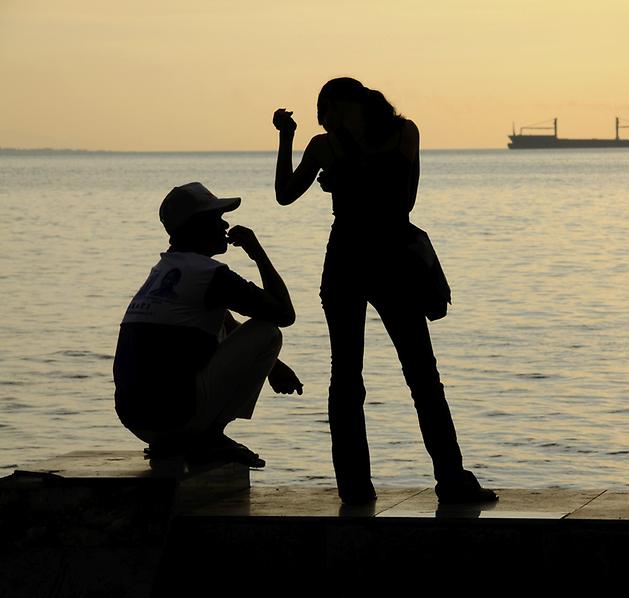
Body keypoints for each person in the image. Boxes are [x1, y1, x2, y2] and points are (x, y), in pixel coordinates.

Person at [272, 78, 497, 504]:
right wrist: (289, 139)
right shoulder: (363, 141)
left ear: (339, 105)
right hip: (369, 260)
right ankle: (410, 483)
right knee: (383, 377)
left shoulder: (378, 137)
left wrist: (337, 176)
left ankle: (405, 484)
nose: (323, 120)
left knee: (392, 377)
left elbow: (400, 199)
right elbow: (289, 194)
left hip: (372, 261)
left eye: (324, 111)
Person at [113, 182, 303, 467]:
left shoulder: (164, 271)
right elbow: (284, 314)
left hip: (138, 421)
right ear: (198, 227)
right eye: (217, 219)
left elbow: (224, 322)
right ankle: (212, 436)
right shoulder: (210, 275)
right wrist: (257, 252)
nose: (225, 224)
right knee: (267, 332)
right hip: (176, 417)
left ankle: (187, 438)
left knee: (221, 325)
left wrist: (272, 367)